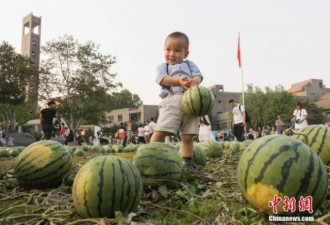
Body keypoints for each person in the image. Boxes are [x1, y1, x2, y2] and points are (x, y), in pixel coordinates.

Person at [150, 31, 203, 173]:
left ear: (186, 53)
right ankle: (148, 157)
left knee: (188, 135)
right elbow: (162, 79)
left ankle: (187, 163)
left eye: (177, 50)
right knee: (161, 131)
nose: (172, 54)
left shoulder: (190, 64)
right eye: (168, 49)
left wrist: (195, 81)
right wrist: (178, 81)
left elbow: (198, 75)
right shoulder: (164, 67)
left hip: (190, 101)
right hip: (171, 100)